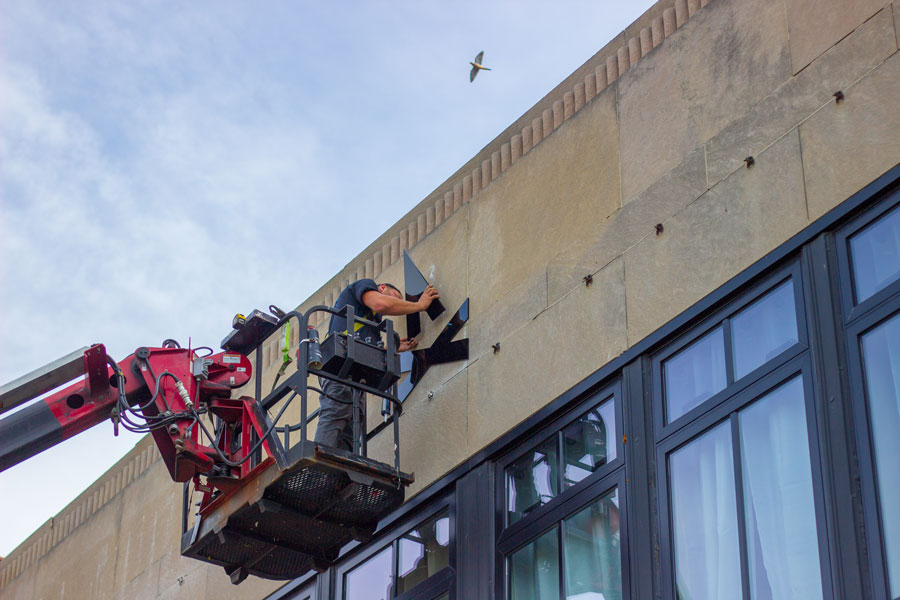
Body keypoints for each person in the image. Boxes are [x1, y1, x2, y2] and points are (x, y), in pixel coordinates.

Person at [314, 279, 439, 452]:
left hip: (354, 373)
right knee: (337, 409)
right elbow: (381, 304)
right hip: (339, 367)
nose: (396, 303)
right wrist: (419, 305)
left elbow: (366, 349)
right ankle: (320, 456)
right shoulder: (363, 287)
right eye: (394, 297)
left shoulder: (371, 326)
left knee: (353, 421)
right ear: (381, 288)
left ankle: (340, 471)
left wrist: (391, 348)